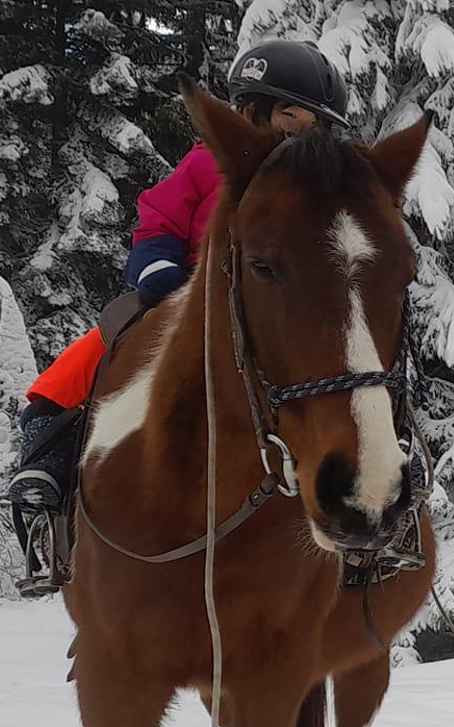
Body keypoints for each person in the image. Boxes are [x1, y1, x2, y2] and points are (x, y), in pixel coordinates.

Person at [4, 39, 349, 592]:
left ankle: (384, 484)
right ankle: (47, 468)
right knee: (98, 347)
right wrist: (159, 268)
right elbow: (158, 219)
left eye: (315, 125)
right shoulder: (206, 163)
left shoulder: (320, 187)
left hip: (277, 313)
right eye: (292, 115)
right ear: (252, 110)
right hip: (188, 298)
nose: (303, 132)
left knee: (359, 365)